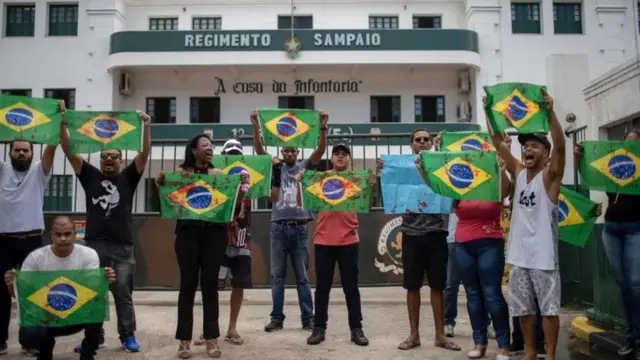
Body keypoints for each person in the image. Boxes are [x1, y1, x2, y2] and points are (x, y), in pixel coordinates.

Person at [59, 109, 151, 353]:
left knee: (123, 296)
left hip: (123, 247)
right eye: (105, 156)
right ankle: (94, 337)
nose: (109, 159)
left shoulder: (129, 178)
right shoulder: (90, 176)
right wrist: (61, 123)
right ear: (100, 161)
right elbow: (68, 150)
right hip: (94, 247)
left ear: (121, 161)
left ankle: (128, 336)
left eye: (114, 156)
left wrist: (146, 126)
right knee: (93, 294)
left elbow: (144, 154)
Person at [487, 89, 565, 360]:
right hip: (519, 256)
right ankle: (530, 352)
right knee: (523, 310)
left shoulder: (551, 176)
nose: (528, 149)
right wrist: (488, 111)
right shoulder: (519, 173)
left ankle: (551, 354)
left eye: (534, 145)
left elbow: (562, 146)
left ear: (546, 153)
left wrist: (551, 113)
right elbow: (498, 143)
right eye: (525, 146)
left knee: (549, 310)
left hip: (544, 257)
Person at [155, 134, 247, 359]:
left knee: (210, 287)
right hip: (187, 235)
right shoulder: (181, 175)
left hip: (214, 235)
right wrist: (160, 186)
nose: (209, 149)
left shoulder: (219, 176)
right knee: (187, 286)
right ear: (194, 150)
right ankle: (184, 342)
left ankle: (211, 339)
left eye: (211, 146)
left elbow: (231, 210)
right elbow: (169, 205)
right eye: (205, 145)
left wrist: (240, 189)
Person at [377, 129, 460, 352]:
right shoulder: (402, 168)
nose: (422, 142)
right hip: (411, 235)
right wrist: (382, 173)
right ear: (411, 144)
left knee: (437, 286)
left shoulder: (442, 166)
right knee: (412, 287)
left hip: (437, 234)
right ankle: (413, 335)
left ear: (431, 144)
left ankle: (440, 335)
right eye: (418, 140)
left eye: (425, 139)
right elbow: (387, 190)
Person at [249, 109, 328, 332]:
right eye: (287, 150)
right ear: (283, 151)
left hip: (301, 226)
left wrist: (322, 127)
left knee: (303, 276)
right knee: (277, 276)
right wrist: (256, 125)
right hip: (278, 227)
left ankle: (308, 318)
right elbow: (259, 150)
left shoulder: (304, 166)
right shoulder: (275, 166)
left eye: (293, 149)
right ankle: (277, 317)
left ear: (297, 151)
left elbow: (321, 150)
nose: (290, 153)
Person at [3, 215, 116, 360]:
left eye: (67, 234)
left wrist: (105, 281)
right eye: (58, 234)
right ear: (51, 236)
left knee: (98, 303)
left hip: (77, 314)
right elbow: (21, 298)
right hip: (47, 318)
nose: (63, 238)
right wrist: (12, 285)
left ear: (75, 234)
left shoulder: (88, 255)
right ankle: (45, 350)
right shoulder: (35, 258)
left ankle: (88, 352)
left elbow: (93, 289)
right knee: (28, 335)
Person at [0, 101, 63, 356]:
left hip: (32, 240)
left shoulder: (40, 172)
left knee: (33, 293)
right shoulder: (2, 171)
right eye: (17, 150)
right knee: (0, 294)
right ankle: (1, 340)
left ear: (32, 153)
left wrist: (57, 117)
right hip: (3, 240)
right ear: (10, 153)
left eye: (26, 150)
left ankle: (30, 341)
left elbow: (52, 146)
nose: (22, 154)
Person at [297, 143, 375, 346]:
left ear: (349, 159)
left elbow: (367, 205)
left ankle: (356, 329)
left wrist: (371, 187)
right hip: (324, 240)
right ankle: (319, 328)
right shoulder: (320, 179)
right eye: (337, 154)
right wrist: (300, 184)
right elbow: (302, 203)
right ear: (331, 159)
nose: (340, 157)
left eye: (344, 154)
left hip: (349, 239)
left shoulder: (357, 180)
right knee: (322, 288)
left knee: (351, 288)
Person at [574, 130, 640, 358]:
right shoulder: (616, 166)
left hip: (636, 228)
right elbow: (592, 176)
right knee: (624, 283)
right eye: (626, 142)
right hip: (611, 229)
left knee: (634, 282)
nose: (629, 146)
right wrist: (579, 158)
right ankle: (633, 334)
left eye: (635, 143)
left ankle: (635, 334)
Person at [449, 153, 512, 360]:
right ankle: (479, 342)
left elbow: (506, 190)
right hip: (463, 244)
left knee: (492, 294)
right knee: (472, 295)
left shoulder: (493, 181)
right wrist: (425, 166)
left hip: (490, 243)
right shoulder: (460, 185)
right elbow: (435, 184)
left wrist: (501, 169)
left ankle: (503, 345)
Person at [194, 138, 253, 347]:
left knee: (239, 284)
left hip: (242, 239)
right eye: (229, 155)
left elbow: (269, 193)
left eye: (237, 155)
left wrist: (271, 164)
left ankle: (231, 328)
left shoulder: (250, 178)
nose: (233, 159)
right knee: (212, 286)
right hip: (217, 238)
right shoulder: (214, 178)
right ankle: (210, 329)